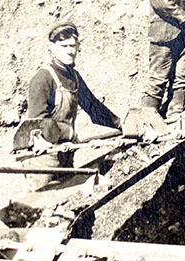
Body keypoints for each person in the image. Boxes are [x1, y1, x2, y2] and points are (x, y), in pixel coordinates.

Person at [24, 22, 122, 192]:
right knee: (43, 209)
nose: (70, 51)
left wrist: (120, 124)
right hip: (43, 158)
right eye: (64, 46)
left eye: (73, 45)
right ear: (52, 48)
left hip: (66, 154)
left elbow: (94, 108)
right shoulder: (42, 79)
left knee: (67, 205)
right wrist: (68, 132)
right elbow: (37, 125)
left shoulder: (73, 77)